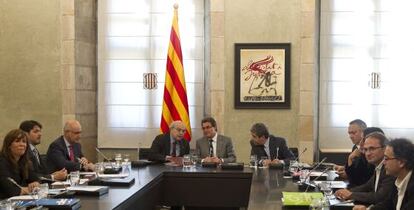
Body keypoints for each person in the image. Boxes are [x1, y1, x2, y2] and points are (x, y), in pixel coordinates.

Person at [335, 131, 395, 205]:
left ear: (385, 148)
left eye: (372, 149)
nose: (368, 153)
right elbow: (367, 186)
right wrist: (345, 191)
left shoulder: (390, 168)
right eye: (366, 149)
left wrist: (351, 194)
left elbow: (379, 197)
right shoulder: (378, 166)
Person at [353, 138, 414, 210]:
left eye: (386, 158)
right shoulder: (398, 179)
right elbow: (389, 203)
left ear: (401, 162)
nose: (384, 162)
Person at [0, 129, 40, 199]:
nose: (22, 144)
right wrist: (28, 189)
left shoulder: (24, 162)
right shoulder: (2, 162)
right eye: (17, 141)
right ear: (9, 145)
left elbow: (35, 178)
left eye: (24, 142)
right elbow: (10, 190)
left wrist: (35, 183)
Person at [336, 119, 374, 187]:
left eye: (353, 133)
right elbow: (355, 168)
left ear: (363, 133)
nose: (350, 136)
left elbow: (364, 176)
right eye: (349, 133)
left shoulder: (369, 151)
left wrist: (348, 174)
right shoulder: (355, 147)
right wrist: (344, 168)